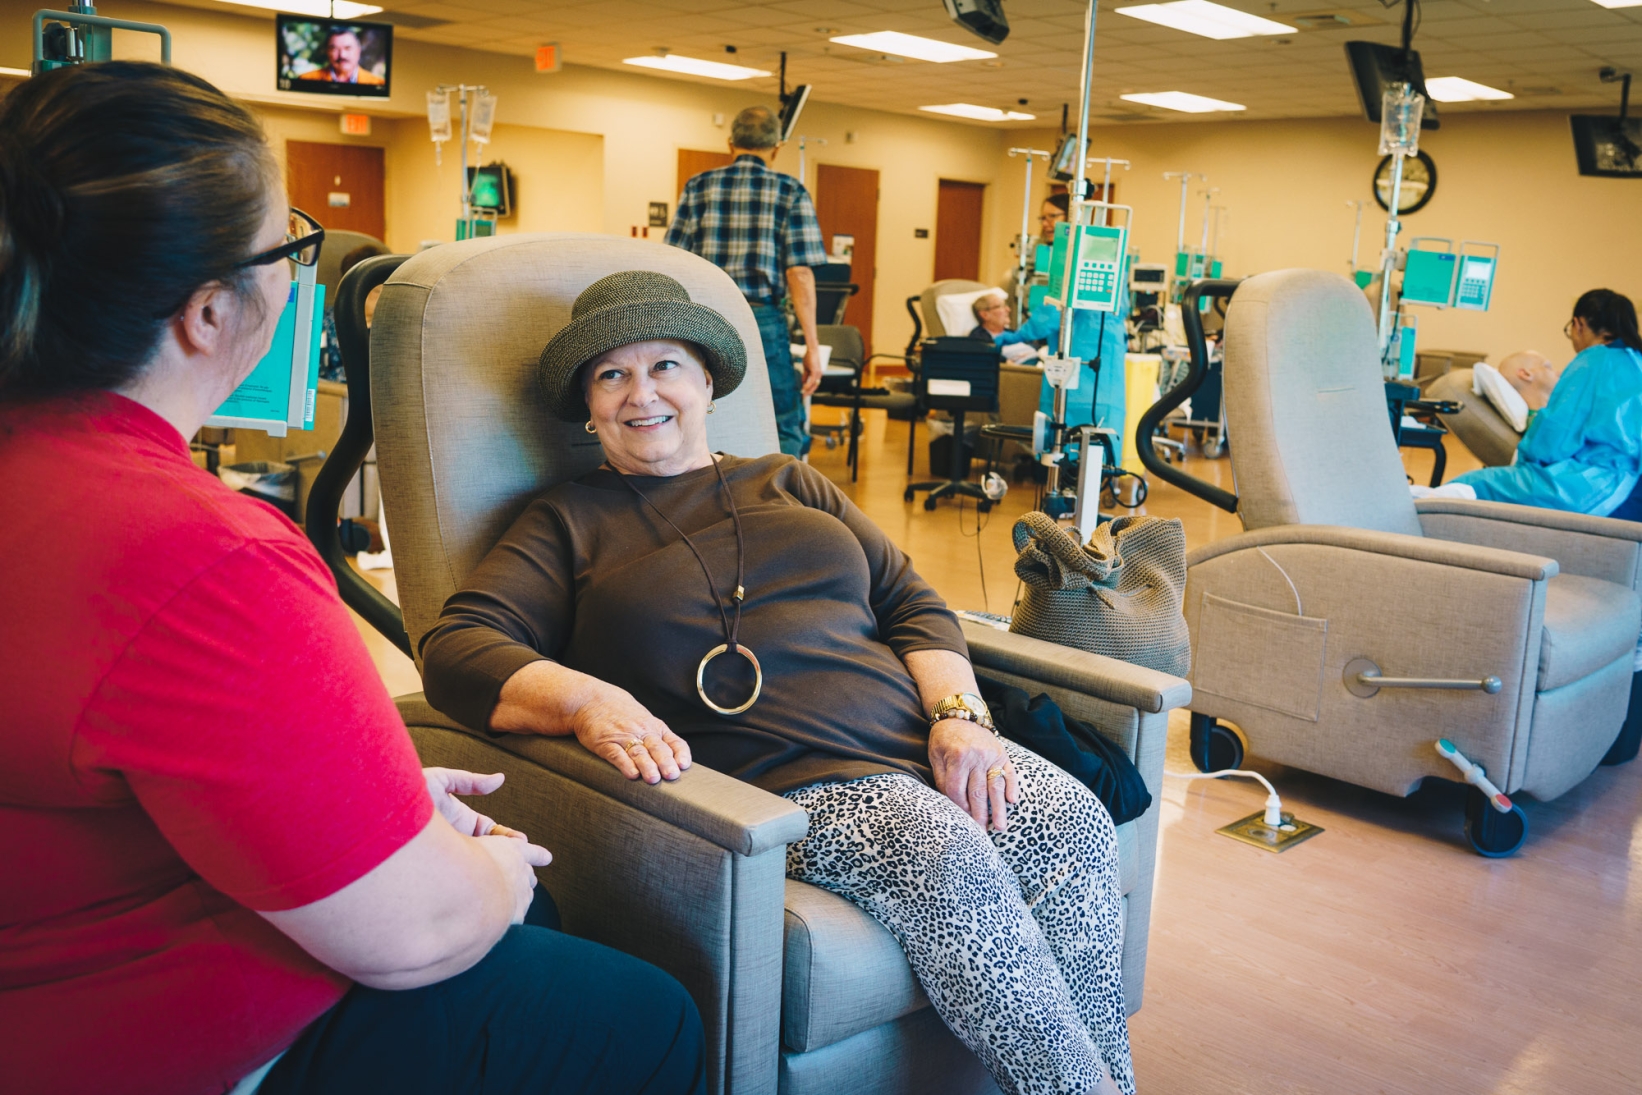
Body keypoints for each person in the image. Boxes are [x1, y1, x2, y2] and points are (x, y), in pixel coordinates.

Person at [0, 62, 704, 1095]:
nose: (643, 396)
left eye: (670, 367)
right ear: (207, 312)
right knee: (635, 1012)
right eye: (287, 241)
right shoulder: (200, 556)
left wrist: (366, 807)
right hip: (108, 1028)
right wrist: (493, 876)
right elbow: (417, 933)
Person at [420, 270, 1137, 1095]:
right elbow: (457, 646)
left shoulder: (791, 480)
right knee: (940, 846)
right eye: (611, 374)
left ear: (705, 383)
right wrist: (590, 699)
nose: (640, 393)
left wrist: (960, 715)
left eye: (665, 367)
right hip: (791, 781)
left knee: (1076, 821)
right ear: (588, 406)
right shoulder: (567, 520)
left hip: (920, 741)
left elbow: (909, 601)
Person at [665, 105, 828, 457]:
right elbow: (799, 273)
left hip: (704, 317)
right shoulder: (790, 191)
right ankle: (784, 498)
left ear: (730, 143)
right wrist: (813, 346)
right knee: (782, 414)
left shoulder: (699, 187)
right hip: (762, 320)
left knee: (705, 409)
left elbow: (673, 261)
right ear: (776, 147)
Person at [1453, 289, 1642, 515]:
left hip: (1595, 487)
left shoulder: (1592, 361)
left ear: (1578, 324)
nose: (1557, 371)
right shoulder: (1635, 361)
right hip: (1631, 484)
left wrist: (1525, 461)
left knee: (1468, 486)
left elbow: (1555, 439)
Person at [318, 241, 388, 382]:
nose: (383, 298)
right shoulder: (324, 323)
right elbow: (319, 379)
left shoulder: (392, 326)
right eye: (377, 292)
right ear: (354, 289)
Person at [297, 26, 385, 85]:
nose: (342, 55)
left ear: (358, 51)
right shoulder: (306, 80)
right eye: (335, 49)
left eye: (347, 48)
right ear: (327, 52)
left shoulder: (377, 83)